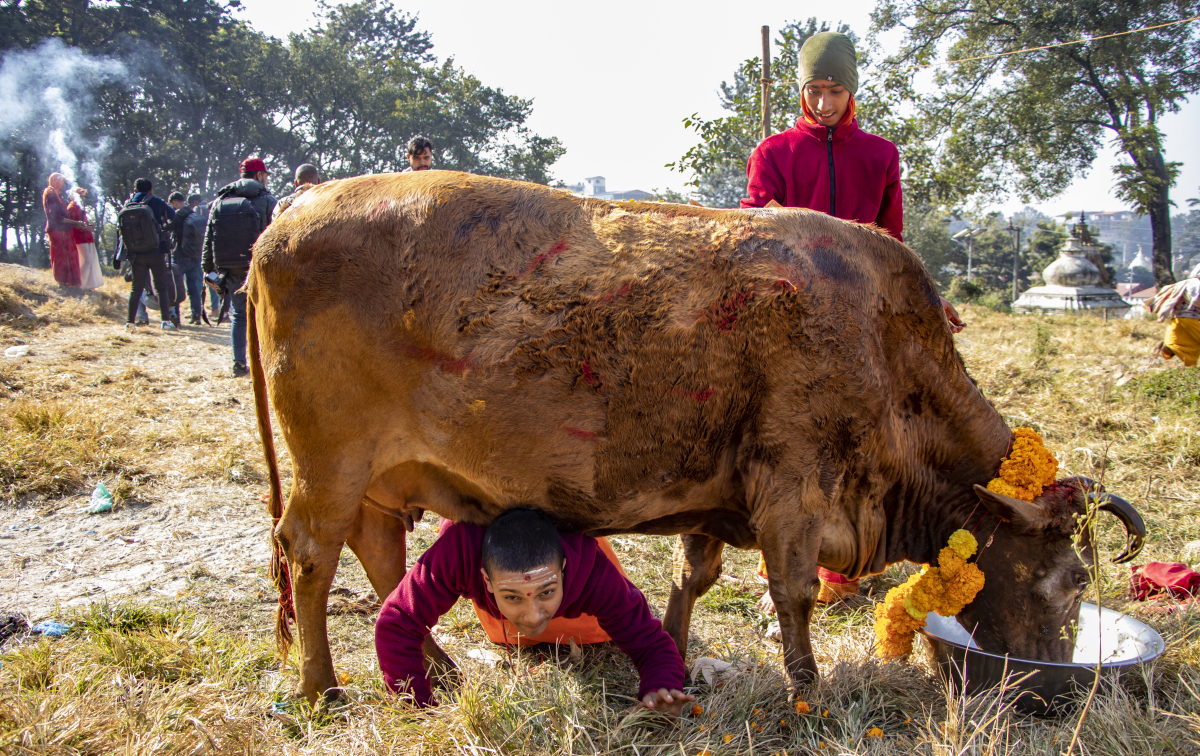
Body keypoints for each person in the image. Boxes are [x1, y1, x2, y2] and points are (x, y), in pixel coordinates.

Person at [742, 32, 965, 611]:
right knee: (789, 435)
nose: (823, 103)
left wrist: (926, 301)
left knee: (857, 434)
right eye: (813, 90)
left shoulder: (880, 155)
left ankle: (840, 565)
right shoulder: (774, 152)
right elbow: (757, 222)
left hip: (861, 317)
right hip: (793, 313)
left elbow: (892, 242)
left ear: (852, 91)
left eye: (834, 90)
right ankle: (780, 561)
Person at [375, 508, 692, 714]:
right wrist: (417, 710)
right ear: (486, 581)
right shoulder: (458, 553)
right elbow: (396, 622)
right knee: (509, 635)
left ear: (564, 570)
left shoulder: (592, 572)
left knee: (596, 635)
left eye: (546, 592)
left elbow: (650, 642)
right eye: (513, 597)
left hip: (571, 558)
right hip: (478, 548)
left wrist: (661, 686)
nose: (533, 616)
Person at [203, 157, 277, 377]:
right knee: (263, 314)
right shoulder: (268, 201)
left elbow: (209, 238)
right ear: (258, 175)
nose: (266, 179)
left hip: (231, 267)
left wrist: (208, 269)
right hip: (261, 266)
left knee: (239, 315)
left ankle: (239, 363)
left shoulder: (220, 201)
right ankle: (262, 364)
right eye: (265, 175)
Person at [121, 177, 178, 330]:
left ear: (134, 190)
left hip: (136, 254)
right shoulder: (157, 201)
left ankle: (130, 323)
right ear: (150, 190)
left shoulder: (128, 204)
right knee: (161, 286)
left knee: (136, 288)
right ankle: (165, 321)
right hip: (156, 250)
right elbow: (172, 215)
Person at [1148, 262, 1200, 367]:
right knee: (1194, 344)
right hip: (1191, 320)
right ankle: (1189, 366)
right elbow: (1197, 300)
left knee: (1177, 341)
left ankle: (1169, 349)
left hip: (1176, 320)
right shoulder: (1196, 285)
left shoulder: (1182, 284)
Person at [168, 191, 208, 324]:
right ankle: (196, 315)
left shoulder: (178, 214)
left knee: (176, 286)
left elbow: (167, 228)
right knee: (193, 287)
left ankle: (175, 317)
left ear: (174, 202)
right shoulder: (193, 213)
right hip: (195, 254)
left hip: (180, 255)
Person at [42, 173, 87, 288]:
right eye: (62, 182)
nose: (64, 185)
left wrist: (76, 224)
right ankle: (62, 283)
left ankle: (70, 283)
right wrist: (75, 223)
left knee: (69, 255)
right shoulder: (51, 195)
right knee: (61, 256)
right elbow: (56, 217)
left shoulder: (58, 195)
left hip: (64, 230)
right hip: (57, 230)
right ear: (56, 182)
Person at [68, 187, 104, 290]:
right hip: (79, 238)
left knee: (90, 260)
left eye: (83, 196)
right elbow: (71, 226)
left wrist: (89, 227)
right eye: (80, 196)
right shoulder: (71, 208)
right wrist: (85, 228)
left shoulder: (79, 207)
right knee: (86, 260)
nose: (82, 198)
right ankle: (80, 285)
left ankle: (88, 285)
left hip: (86, 237)